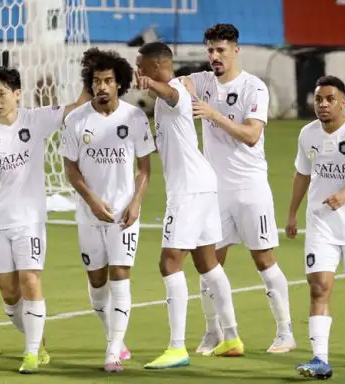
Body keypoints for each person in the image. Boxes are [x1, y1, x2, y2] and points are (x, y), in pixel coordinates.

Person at [0, 66, 89, 374]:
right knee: (10, 295)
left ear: (17, 94)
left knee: (30, 281)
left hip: (29, 218)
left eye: (1, 94)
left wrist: (88, 74)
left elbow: (76, 107)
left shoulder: (35, 119)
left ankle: (29, 354)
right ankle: (35, 340)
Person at [181, 23, 295, 354]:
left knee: (264, 259)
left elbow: (251, 135)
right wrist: (154, 80)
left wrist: (213, 114)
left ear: (235, 50)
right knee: (208, 263)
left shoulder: (253, 88)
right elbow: (178, 86)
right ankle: (214, 331)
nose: (214, 56)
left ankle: (285, 332)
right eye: (210, 51)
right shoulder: (203, 82)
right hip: (214, 191)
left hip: (250, 189)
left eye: (220, 50)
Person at [135, 42, 245, 369]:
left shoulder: (177, 92)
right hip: (202, 186)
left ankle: (177, 347)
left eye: (141, 66)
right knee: (208, 264)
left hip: (188, 192)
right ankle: (232, 337)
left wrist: (151, 84)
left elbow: (171, 94)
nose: (137, 71)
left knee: (169, 263)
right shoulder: (170, 97)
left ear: (156, 67)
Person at [59, 47, 155, 373]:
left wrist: (136, 202)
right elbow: (70, 169)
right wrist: (91, 201)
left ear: (119, 84)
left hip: (124, 216)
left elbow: (145, 169)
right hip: (89, 214)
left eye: (108, 81)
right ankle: (115, 337)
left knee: (120, 276)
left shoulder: (134, 118)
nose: (102, 86)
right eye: (97, 80)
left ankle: (113, 349)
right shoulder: (76, 120)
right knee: (97, 285)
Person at [286, 75, 345, 379]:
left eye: (329, 99)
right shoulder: (307, 134)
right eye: (318, 99)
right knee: (318, 287)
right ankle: (319, 359)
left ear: (343, 102)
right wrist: (291, 214)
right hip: (321, 223)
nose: (323, 105)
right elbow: (302, 174)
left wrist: (343, 194)